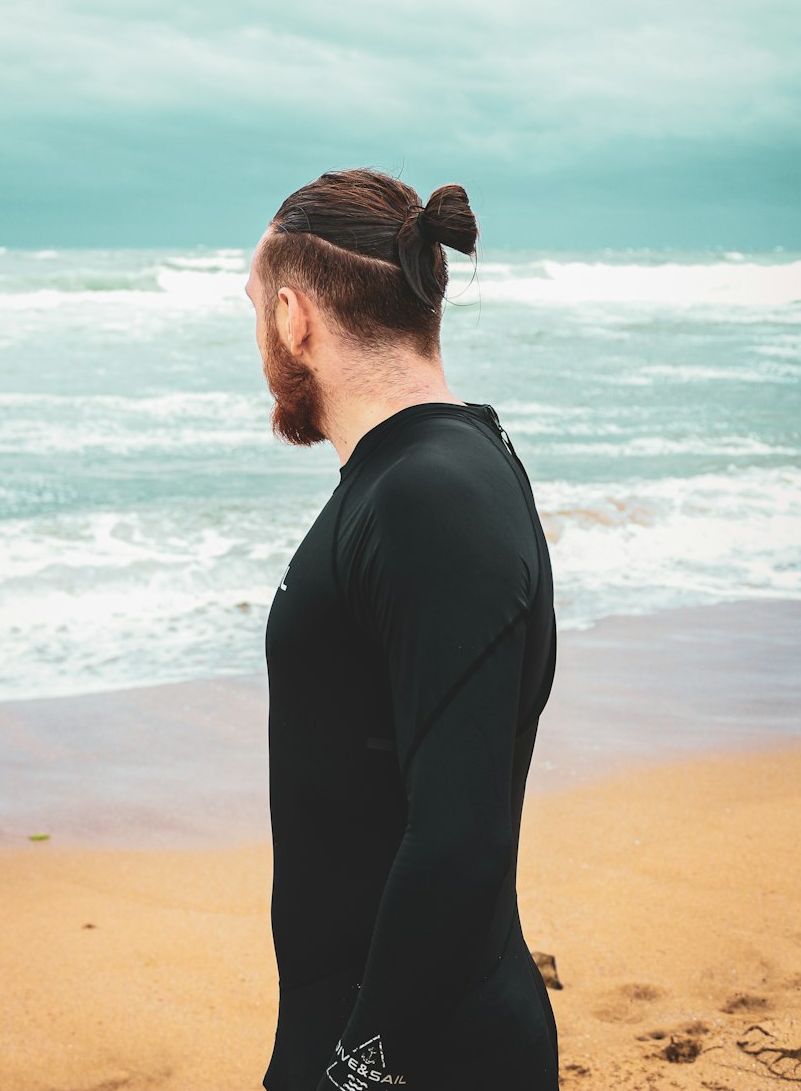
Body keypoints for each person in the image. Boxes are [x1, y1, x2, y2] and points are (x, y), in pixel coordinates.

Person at [244, 167, 559, 1091]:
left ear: (295, 315)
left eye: (254, 307)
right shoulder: (439, 468)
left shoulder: (426, 497)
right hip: (382, 1026)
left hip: (415, 1050)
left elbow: (459, 837)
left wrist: (354, 1068)